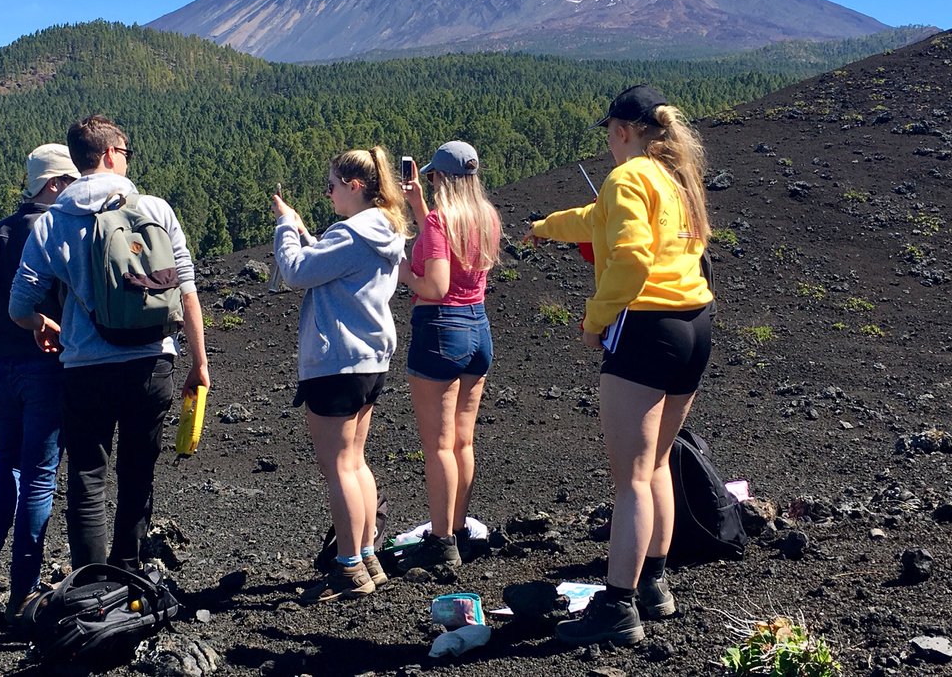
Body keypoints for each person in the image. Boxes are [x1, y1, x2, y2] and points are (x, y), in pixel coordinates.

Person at [525, 85, 714, 646]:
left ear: (623, 131)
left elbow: (630, 255)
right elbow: (597, 218)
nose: (609, 145)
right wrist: (546, 227)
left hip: (644, 328)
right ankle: (654, 585)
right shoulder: (674, 179)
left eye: (610, 133)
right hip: (692, 326)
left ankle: (616, 608)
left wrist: (595, 319)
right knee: (656, 464)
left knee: (631, 479)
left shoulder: (629, 176)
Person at [9, 116, 210, 578]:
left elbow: (20, 302)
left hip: (85, 366)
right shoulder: (156, 209)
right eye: (125, 150)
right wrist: (199, 362)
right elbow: (188, 291)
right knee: (138, 473)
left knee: (87, 477)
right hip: (153, 361)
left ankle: (92, 585)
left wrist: (40, 322)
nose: (126, 157)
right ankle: (129, 574)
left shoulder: (54, 221)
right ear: (108, 154)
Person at [271, 147, 409, 602]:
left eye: (331, 185)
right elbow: (329, 268)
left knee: (339, 469)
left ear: (354, 186)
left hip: (335, 362)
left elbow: (294, 272)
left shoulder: (351, 234)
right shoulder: (384, 230)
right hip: (369, 361)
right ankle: (367, 555)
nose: (327, 194)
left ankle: (349, 568)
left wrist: (286, 227)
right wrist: (309, 236)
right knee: (356, 462)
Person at [0, 144, 79, 618]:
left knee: (7, 460)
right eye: (70, 182)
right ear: (53, 185)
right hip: (43, 364)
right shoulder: (54, 229)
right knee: (40, 477)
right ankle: (23, 590)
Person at [396, 141, 500, 571]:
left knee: (437, 445)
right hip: (478, 329)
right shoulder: (484, 217)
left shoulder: (441, 221)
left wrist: (398, 265)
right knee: (462, 440)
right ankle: (456, 530)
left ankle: (440, 542)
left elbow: (435, 286)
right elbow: (451, 251)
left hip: (440, 329)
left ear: (440, 177)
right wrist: (419, 207)